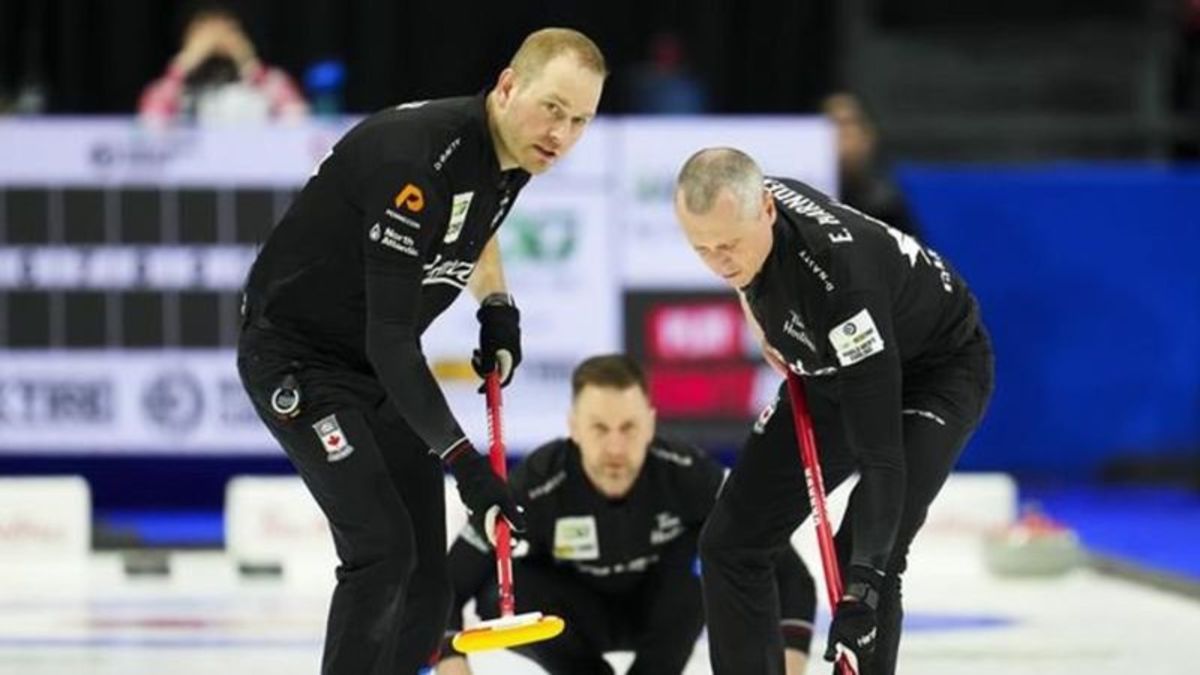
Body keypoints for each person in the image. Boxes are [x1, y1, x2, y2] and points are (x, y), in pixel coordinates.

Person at [236, 28, 607, 675]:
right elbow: (391, 339)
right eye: (553, 108)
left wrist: (497, 304)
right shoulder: (417, 160)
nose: (563, 134)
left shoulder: (513, 153)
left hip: (369, 367)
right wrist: (465, 464)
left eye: (581, 120)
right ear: (508, 85)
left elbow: (474, 227)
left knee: (429, 587)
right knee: (382, 552)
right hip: (298, 358)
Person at [673, 148, 994, 675]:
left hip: (932, 370)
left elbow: (881, 454)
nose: (719, 261)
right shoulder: (741, 203)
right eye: (701, 248)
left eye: (728, 246)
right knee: (731, 544)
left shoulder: (842, 287)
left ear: (768, 211)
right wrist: (755, 305)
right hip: (827, 364)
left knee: (864, 558)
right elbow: (739, 265)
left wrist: (863, 589)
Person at [435, 354, 816, 675]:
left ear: (650, 423)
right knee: (498, 591)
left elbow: (794, 580)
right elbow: (448, 585)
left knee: (714, 559)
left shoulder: (688, 473)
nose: (615, 446)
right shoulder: (535, 482)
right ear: (573, 427)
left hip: (662, 620)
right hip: (572, 624)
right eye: (599, 428)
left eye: (629, 427)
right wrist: (452, 663)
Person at [139, 3, 307, 125]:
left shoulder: (269, 81)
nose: (216, 38)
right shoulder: (172, 88)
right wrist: (186, 62)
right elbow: (151, 125)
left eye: (228, 29)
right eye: (204, 30)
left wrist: (247, 61)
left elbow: (296, 121)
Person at [821, 93, 919, 238]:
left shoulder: (884, 204)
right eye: (831, 124)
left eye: (848, 124)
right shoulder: (790, 199)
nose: (841, 134)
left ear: (869, 136)